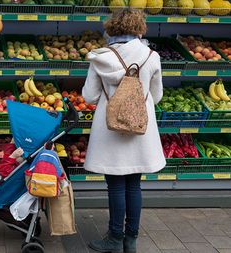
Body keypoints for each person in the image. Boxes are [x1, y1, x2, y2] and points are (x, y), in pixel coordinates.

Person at [82, 9, 166, 253]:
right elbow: (157, 96)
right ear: (139, 28)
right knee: (134, 185)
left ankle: (114, 238)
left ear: (112, 28)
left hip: (110, 131)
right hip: (140, 129)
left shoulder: (101, 57)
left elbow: (89, 96)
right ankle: (131, 239)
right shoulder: (152, 56)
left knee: (116, 186)